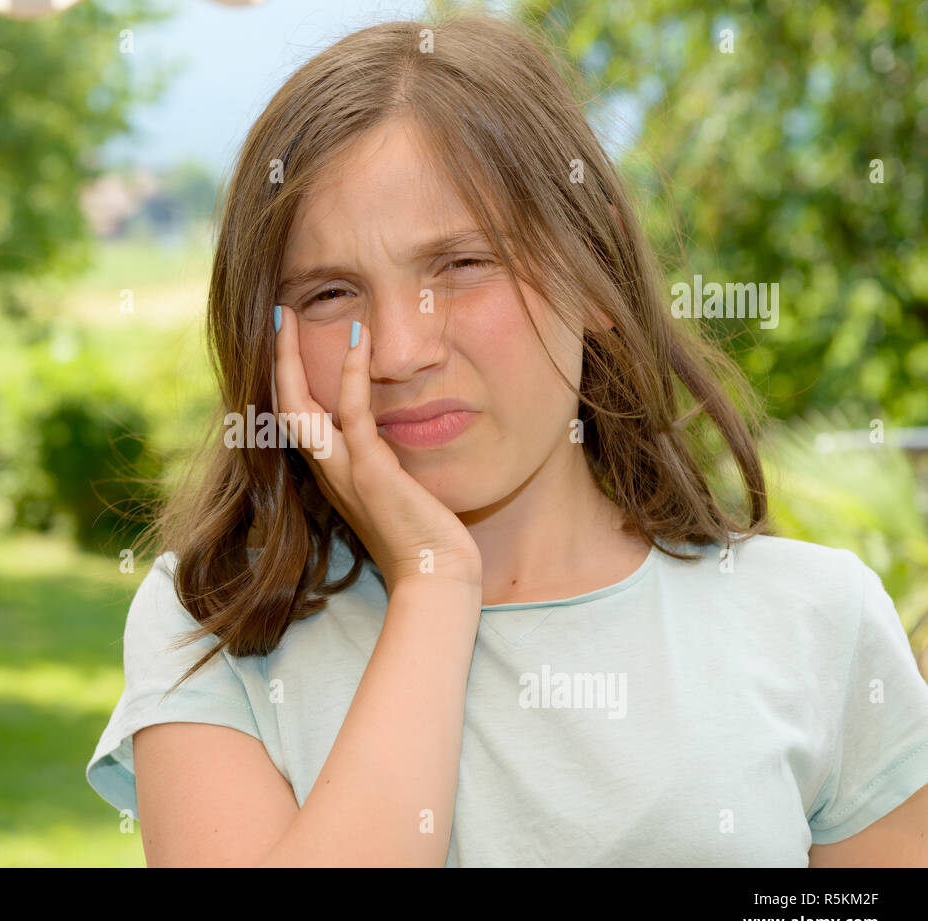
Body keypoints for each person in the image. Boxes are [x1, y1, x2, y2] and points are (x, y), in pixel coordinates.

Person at [85, 12, 928, 866]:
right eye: (332, 292)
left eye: (460, 265)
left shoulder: (817, 620)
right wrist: (432, 583)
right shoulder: (213, 627)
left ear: (592, 268)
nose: (404, 353)